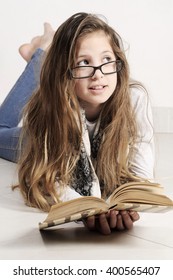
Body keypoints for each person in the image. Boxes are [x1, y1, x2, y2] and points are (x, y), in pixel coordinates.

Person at [0, 12, 154, 235]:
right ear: (65, 72)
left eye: (106, 60)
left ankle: (42, 53)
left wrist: (123, 205)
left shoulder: (135, 99)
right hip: (41, 139)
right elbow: (46, 179)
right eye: (84, 62)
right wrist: (87, 208)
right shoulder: (50, 110)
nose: (98, 74)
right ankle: (41, 53)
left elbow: (141, 175)